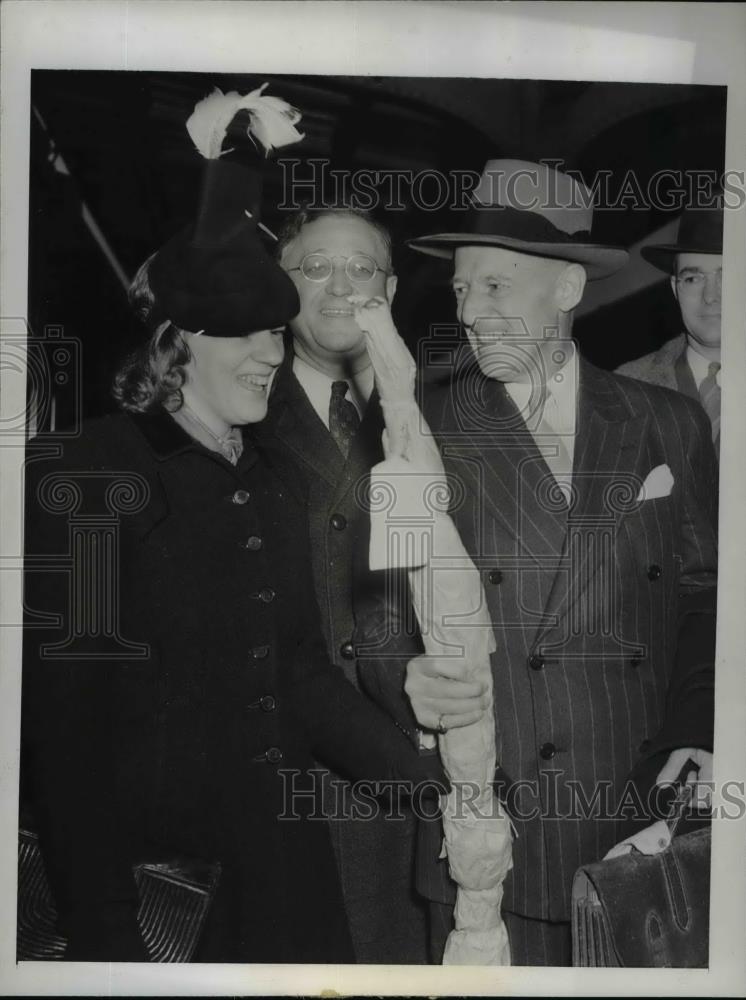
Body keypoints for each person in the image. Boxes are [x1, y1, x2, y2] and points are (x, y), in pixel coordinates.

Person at [20, 106, 445, 964]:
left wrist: (434, 787)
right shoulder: (94, 473)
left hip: (282, 871)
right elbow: (65, 733)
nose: (267, 353)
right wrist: (105, 929)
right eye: (244, 333)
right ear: (177, 341)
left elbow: (297, 674)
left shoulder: (264, 479)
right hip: (162, 896)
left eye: (271, 330)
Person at [387, 160, 718, 965]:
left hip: (639, 820)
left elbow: (706, 596)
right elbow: (379, 601)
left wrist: (696, 731)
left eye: (496, 287)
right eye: (462, 290)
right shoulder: (414, 421)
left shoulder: (663, 420)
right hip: (492, 828)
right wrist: (403, 672)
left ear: (568, 289)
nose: (470, 312)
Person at [253, 206, 430, 963]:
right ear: (279, 283)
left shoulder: (430, 411)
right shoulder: (240, 410)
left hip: (421, 766)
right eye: (314, 266)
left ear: (389, 288)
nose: (339, 287)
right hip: (298, 776)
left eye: (361, 269)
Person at [616, 199, 723, 459]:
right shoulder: (623, 390)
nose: (710, 296)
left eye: (726, 275)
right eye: (693, 278)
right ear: (675, 288)